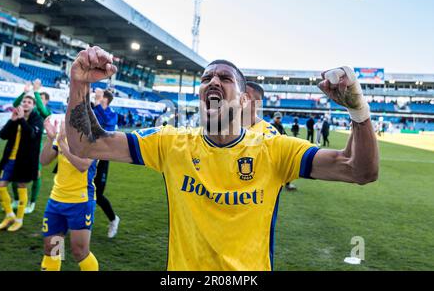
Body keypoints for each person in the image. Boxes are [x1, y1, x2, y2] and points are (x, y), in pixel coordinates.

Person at [65, 47, 378, 271]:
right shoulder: (170, 143)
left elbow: (359, 170)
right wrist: (79, 82)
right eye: (207, 78)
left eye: (225, 78)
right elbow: (85, 144)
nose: (213, 81)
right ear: (200, 93)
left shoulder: (274, 149)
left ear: (243, 100)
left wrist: (358, 110)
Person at [40, 119, 98, 271]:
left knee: (79, 251)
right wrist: (51, 138)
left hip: (80, 202)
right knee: (53, 247)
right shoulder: (62, 135)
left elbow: (83, 166)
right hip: (56, 200)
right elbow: (44, 160)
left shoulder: (92, 137)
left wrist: (62, 144)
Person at [0, 94, 43, 232]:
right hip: (9, 159)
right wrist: (12, 120)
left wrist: (21, 120)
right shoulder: (15, 118)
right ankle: (9, 215)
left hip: (25, 161)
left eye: (29, 102)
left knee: (21, 187)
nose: (26, 104)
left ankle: (19, 220)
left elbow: (31, 134)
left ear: (33, 106)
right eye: (24, 101)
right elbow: (3, 135)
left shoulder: (37, 120)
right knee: (0, 187)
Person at [11, 79, 51, 214]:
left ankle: (32, 202)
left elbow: (41, 109)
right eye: (38, 98)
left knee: (36, 175)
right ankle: (16, 199)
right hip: (19, 146)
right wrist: (25, 92)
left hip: (35, 149)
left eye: (42, 99)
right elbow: (15, 104)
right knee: (14, 174)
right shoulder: (27, 110)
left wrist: (36, 91)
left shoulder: (45, 112)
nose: (40, 100)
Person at [92, 88, 120, 238]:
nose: (96, 96)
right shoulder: (93, 108)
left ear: (105, 99)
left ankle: (113, 219)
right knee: (83, 190)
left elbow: (102, 128)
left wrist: (97, 106)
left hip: (102, 158)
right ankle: (77, 222)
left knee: (98, 193)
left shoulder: (112, 115)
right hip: (88, 156)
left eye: (100, 95)